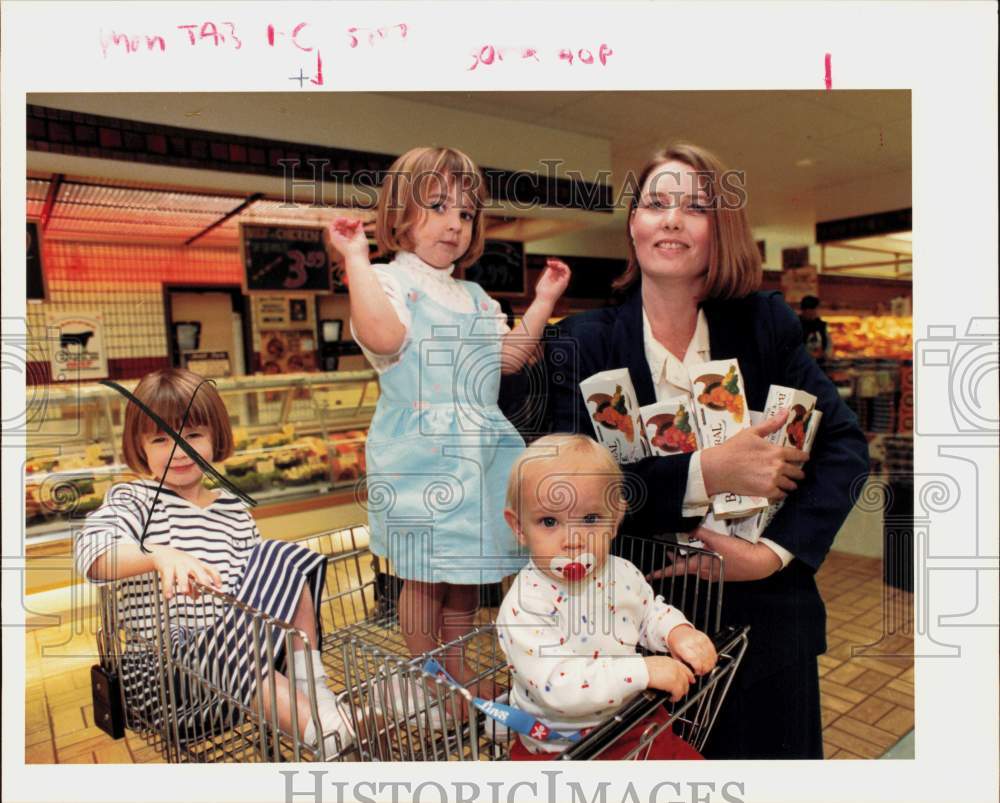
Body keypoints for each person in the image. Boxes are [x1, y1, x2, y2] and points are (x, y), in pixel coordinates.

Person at [544, 143, 869, 759]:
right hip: (630, 641)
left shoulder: (764, 324)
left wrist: (771, 554)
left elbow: (845, 446)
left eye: (694, 206)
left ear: (722, 230)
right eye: (654, 204)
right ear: (633, 226)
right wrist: (705, 472)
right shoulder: (581, 343)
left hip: (767, 632)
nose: (670, 219)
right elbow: (561, 492)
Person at [325, 146, 571, 696]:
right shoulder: (389, 281)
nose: (454, 224)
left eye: (465, 213)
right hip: (421, 455)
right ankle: (434, 678)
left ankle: (455, 671)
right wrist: (356, 262)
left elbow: (507, 359)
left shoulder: (475, 295)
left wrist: (543, 300)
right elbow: (384, 337)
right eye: (437, 206)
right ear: (399, 217)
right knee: (423, 576)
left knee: (465, 580)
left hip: (480, 455)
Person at [74, 368, 352, 757]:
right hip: (167, 682)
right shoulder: (134, 500)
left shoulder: (233, 510)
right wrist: (157, 556)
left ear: (215, 437)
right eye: (160, 438)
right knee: (237, 658)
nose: (178, 450)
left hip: (233, 674)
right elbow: (92, 554)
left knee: (285, 558)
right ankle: (336, 729)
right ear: (140, 447)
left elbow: (261, 599)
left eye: (192, 435)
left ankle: (315, 693)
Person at [496, 434, 717, 759]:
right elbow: (557, 685)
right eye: (549, 521)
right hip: (564, 747)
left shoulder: (622, 572)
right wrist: (642, 671)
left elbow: (648, 612)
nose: (572, 541)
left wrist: (675, 631)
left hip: (634, 719)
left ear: (614, 521)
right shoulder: (526, 605)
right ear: (519, 527)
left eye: (590, 519)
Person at [799, 295, 833, 362]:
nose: (812, 312)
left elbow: (829, 344)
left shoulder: (821, 325)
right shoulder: (796, 325)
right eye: (809, 310)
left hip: (819, 364)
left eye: (814, 309)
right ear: (803, 310)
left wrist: (826, 354)